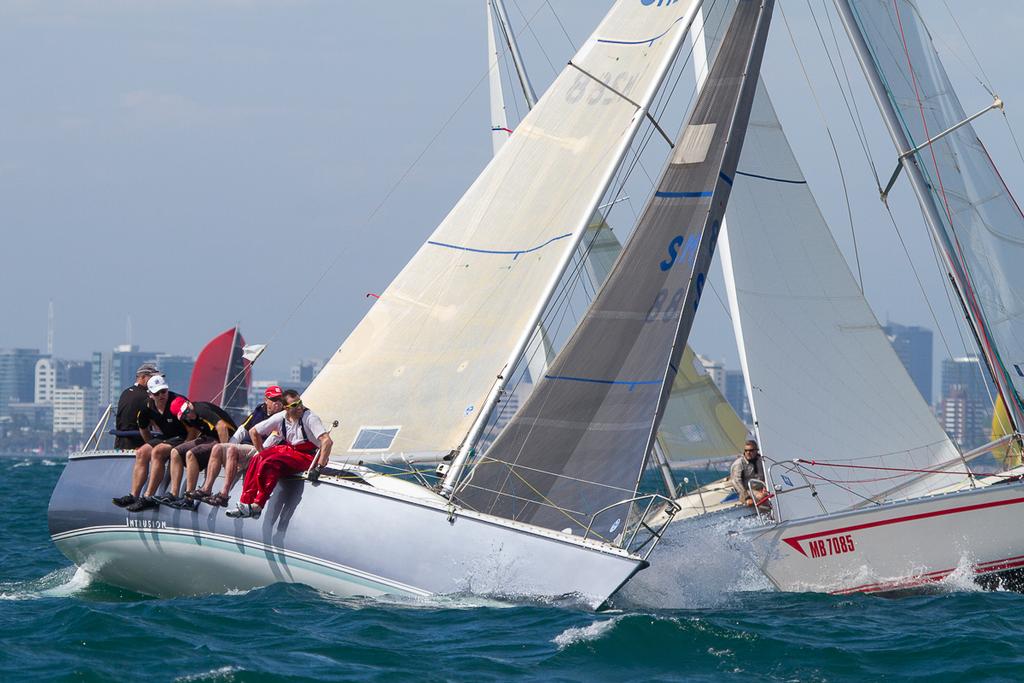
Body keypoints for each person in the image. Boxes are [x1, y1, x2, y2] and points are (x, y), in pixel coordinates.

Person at [227, 390, 332, 519]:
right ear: (286, 408)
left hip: (308, 456)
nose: (299, 407)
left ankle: (257, 506)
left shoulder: (309, 417)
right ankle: (245, 503)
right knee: (257, 458)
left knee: (271, 462)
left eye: (300, 403)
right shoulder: (281, 417)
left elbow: (327, 441)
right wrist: (262, 453)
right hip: (291, 450)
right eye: (294, 405)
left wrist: (319, 468)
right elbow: (254, 431)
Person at [188, 385, 285, 508]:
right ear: (266, 400)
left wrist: (257, 456)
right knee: (218, 448)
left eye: (280, 400)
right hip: (245, 446)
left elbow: (273, 439)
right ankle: (206, 489)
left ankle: (223, 495)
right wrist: (229, 444)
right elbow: (243, 428)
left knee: (232, 450)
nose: (278, 403)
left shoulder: (282, 416)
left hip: (259, 449)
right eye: (274, 400)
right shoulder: (260, 409)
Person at [113, 374, 186, 510]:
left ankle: (148, 497)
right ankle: (133, 495)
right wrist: (150, 443)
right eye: (157, 393)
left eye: (164, 391)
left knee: (158, 451)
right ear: (150, 394)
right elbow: (143, 427)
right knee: (141, 452)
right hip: (167, 437)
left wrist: (188, 444)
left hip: (183, 437)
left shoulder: (177, 402)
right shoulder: (146, 406)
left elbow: (193, 426)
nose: (161, 395)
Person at [154, 398, 238, 509]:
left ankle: (189, 498)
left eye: (187, 412)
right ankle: (173, 494)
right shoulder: (188, 418)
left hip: (222, 437)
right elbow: (196, 431)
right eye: (184, 416)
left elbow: (222, 427)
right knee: (175, 452)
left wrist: (223, 451)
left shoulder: (202, 410)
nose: (188, 416)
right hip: (208, 437)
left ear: (189, 404)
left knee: (190, 454)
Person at [113, 363, 160, 450]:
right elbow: (156, 422)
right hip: (137, 443)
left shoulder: (125, 392)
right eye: (153, 378)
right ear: (142, 377)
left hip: (120, 443)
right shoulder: (147, 396)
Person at [730, 439, 769, 508]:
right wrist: (747, 497)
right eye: (746, 450)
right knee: (762, 496)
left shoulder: (762, 460)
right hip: (747, 490)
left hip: (763, 487)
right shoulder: (739, 464)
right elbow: (736, 482)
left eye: (751, 450)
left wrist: (766, 488)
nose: (748, 452)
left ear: (756, 450)